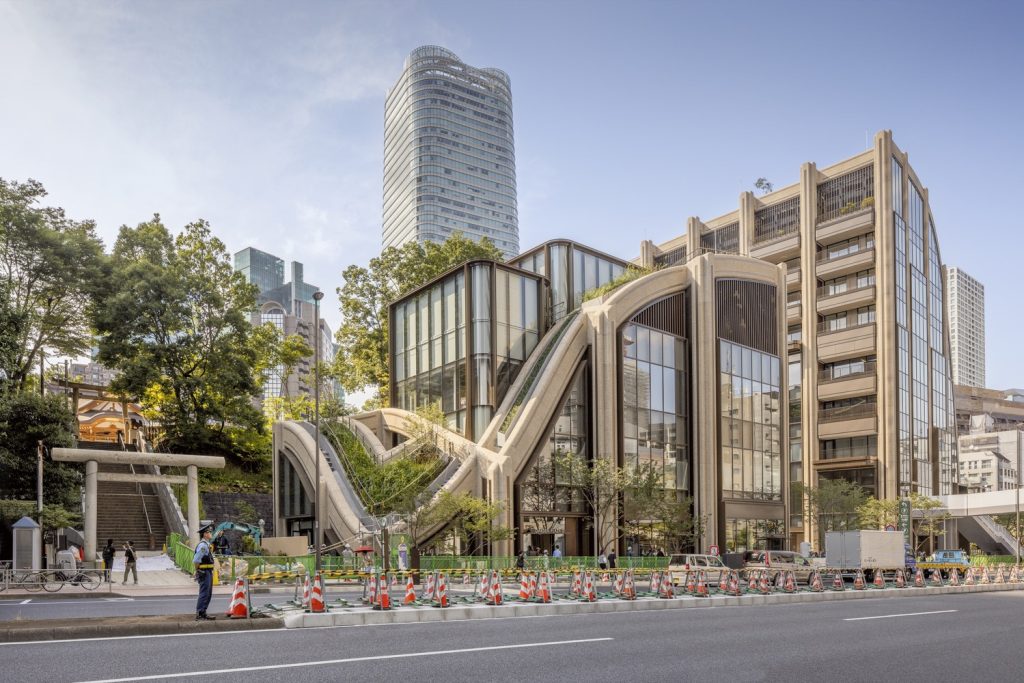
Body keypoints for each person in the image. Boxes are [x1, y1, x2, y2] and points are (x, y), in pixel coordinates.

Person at [193, 524, 216, 620]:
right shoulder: (203, 546)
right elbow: (196, 560)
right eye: (209, 532)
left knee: (208, 593)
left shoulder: (207, 545)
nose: (210, 533)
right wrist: (197, 570)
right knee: (204, 592)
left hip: (208, 571)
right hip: (204, 571)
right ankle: (199, 613)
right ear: (205, 534)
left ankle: (203, 612)